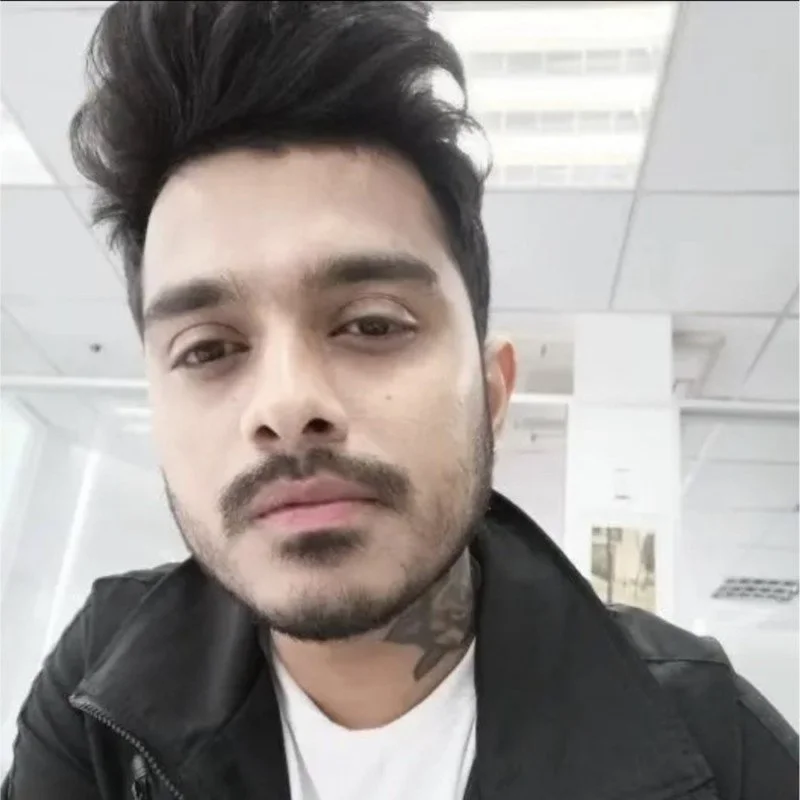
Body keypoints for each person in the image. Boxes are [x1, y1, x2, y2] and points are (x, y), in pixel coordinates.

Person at [3, 2, 798, 798]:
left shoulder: (717, 742)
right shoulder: (96, 695)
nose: (286, 404)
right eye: (208, 350)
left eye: (372, 324)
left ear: (491, 394)